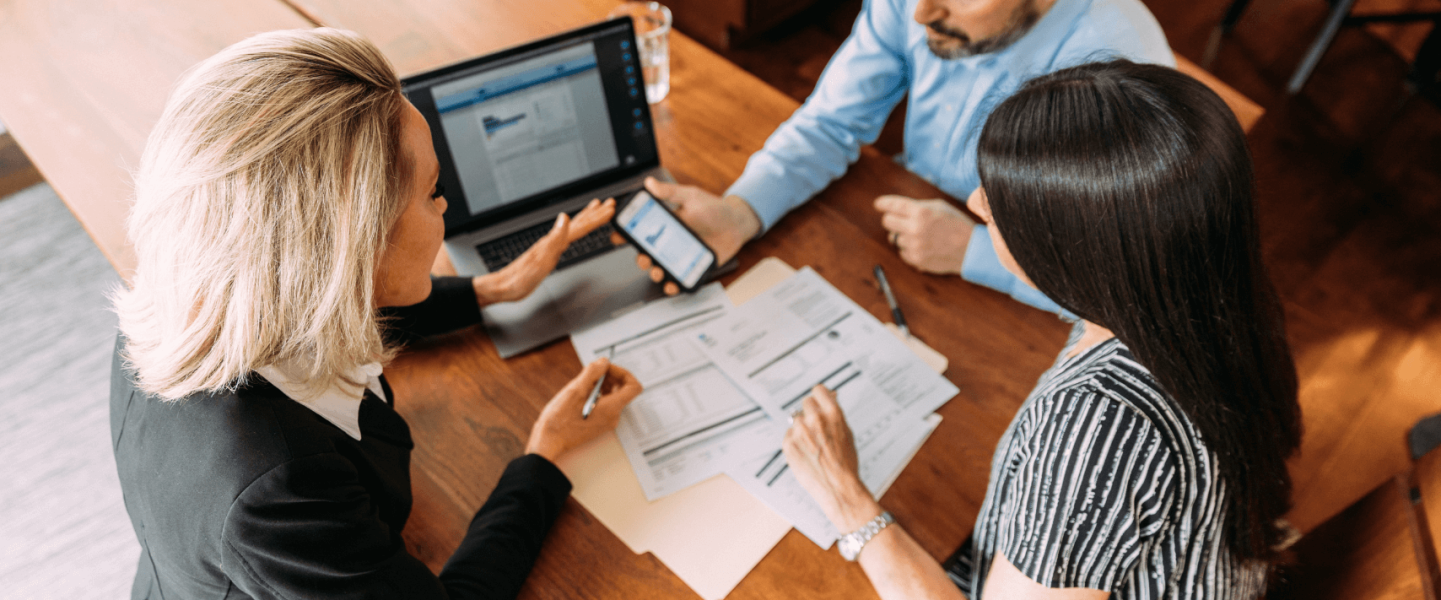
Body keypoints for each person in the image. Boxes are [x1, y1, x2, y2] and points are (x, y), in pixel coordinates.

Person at [110, 28, 642, 599]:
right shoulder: (282, 493)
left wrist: (491, 290)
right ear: (354, 249)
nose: (445, 204)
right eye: (433, 191)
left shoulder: (183, 298)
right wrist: (544, 456)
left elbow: (335, 303)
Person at [780, 60, 1302, 599]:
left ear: (1071, 256)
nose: (974, 203)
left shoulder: (1096, 434)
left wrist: (847, 500)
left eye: (1000, 206)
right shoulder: (1208, 290)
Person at [627, 0, 1172, 312]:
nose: (920, 13)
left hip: (1028, 301)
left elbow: (1133, 283)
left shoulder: (1122, 73)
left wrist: (973, 252)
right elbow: (833, 121)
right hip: (900, 255)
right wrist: (741, 211)